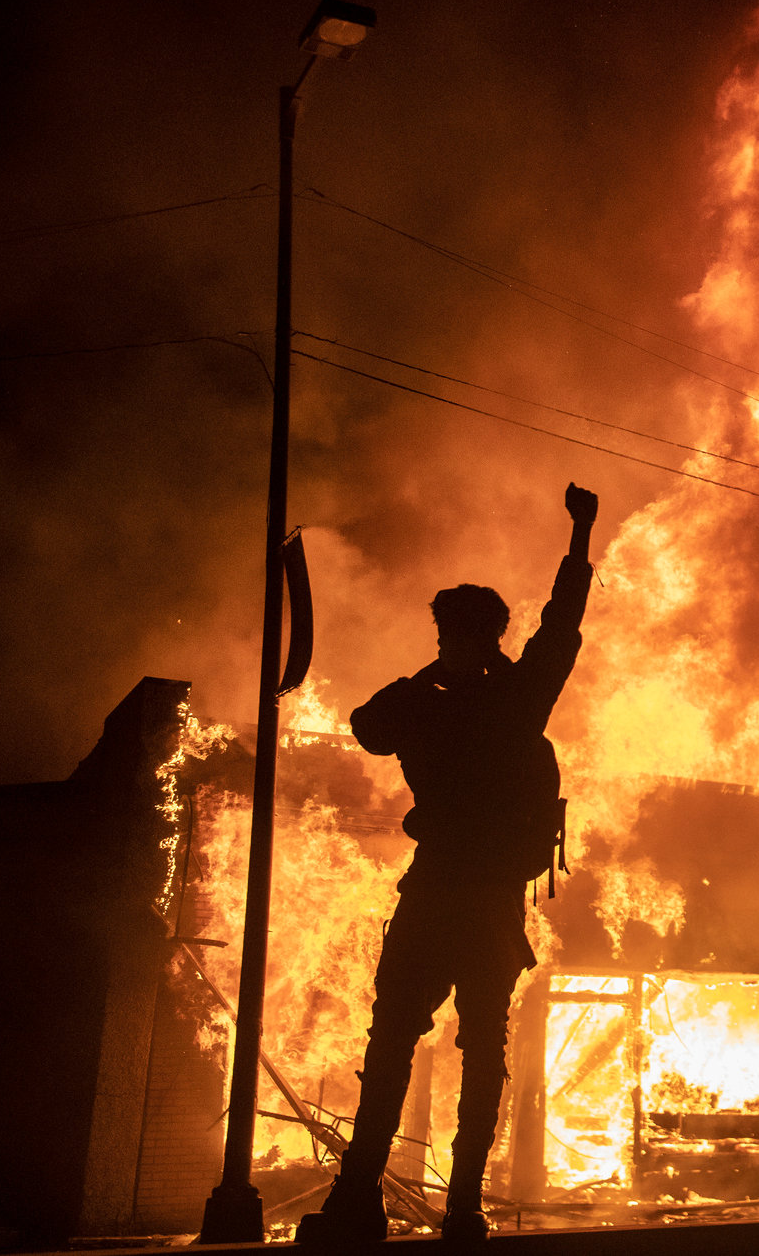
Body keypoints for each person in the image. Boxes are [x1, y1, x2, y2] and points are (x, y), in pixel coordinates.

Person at [299, 482, 599, 1247]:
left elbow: (371, 725)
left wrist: (429, 681)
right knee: (464, 1044)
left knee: (404, 1036)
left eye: (446, 631)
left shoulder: (450, 696)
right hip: (481, 899)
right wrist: (579, 535)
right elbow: (558, 632)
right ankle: (450, 1204)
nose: (442, 642)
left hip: (446, 893)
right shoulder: (513, 696)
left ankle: (375, 1196)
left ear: (461, 632)